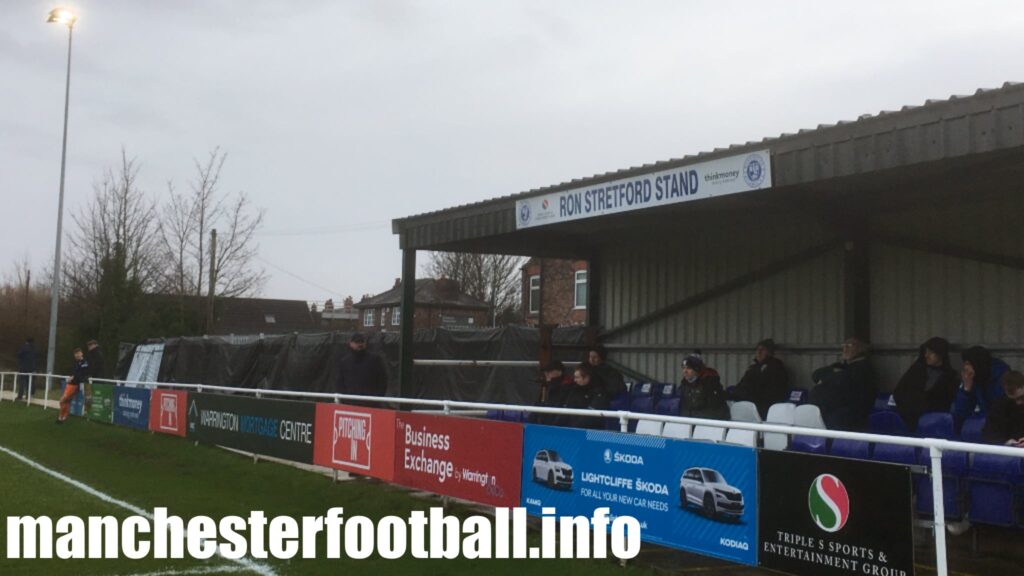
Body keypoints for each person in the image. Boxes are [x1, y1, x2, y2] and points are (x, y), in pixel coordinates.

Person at [809, 337, 879, 431]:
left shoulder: (863, 368)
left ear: (861, 349)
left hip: (850, 414)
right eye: (844, 346)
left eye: (850, 346)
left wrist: (827, 379)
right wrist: (833, 373)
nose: (845, 349)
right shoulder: (842, 366)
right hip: (830, 411)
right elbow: (816, 375)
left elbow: (842, 382)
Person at [892, 337, 959, 431]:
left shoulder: (950, 377)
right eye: (925, 352)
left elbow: (946, 402)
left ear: (941, 354)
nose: (926, 355)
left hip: (933, 424)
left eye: (931, 352)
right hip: (907, 420)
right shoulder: (916, 370)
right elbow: (898, 392)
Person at [950, 346, 1010, 429]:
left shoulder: (1001, 377)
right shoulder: (973, 378)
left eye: (968, 364)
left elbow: (1001, 409)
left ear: (977, 363)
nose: (965, 368)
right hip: (986, 422)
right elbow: (960, 414)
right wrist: (966, 388)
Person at [727, 338, 788, 419]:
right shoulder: (753, 368)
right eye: (757, 350)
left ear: (769, 352)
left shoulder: (776, 367)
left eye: (762, 350)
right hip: (748, 398)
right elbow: (743, 383)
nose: (759, 352)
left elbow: (767, 388)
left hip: (763, 403)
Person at [545, 363, 610, 430]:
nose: (575, 380)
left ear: (587, 378)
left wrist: (573, 428)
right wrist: (554, 427)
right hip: (569, 431)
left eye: (577, 377)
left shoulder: (599, 393)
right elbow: (565, 410)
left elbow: (590, 416)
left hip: (590, 432)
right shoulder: (573, 390)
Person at [335, 333, 389, 398]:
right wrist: (345, 400)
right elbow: (340, 383)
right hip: (350, 403)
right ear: (351, 344)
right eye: (357, 342)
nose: (360, 344)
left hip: (370, 403)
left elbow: (383, 380)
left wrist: (376, 398)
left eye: (362, 341)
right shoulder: (344, 362)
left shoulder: (375, 360)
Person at [678, 354, 729, 420]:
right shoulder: (684, 385)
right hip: (691, 423)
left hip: (711, 424)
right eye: (683, 368)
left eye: (689, 368)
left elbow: (714, 411)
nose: (685, 371)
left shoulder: (710, 385)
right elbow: (684, 408)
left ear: (697, 369)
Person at [981, 371, 1024, 446]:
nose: (1019, 403)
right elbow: (989, 434)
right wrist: (1006, 442)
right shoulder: (999, 406)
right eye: (1014, 400)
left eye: (1022, 397)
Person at [58, 347, 90, 424]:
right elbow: (75, 373)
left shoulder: (85, 362)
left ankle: (62, 416)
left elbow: (83, 374)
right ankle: (63, 417)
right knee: (67, 401)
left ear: (81, 353)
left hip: (76, 384)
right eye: (75, 354)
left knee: (62, 400)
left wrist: (74, 377)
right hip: (71, 384)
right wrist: (71, 376)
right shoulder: (76, 362)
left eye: (78, 354)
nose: (77, 355)